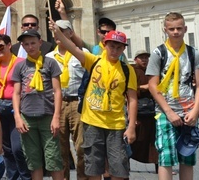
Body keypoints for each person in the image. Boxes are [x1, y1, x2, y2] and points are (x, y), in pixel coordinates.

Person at [52, 23, 137, 180]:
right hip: (92, 122)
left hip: (116, 124)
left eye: (119, 48)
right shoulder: (94, 61)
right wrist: (59, 34)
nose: (115, 50)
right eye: (112, 46)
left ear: (124, 49)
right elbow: (73, 48)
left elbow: (132, 99)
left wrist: (131, 126)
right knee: (93, 167)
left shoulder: (127, 69)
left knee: (119, 167)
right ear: (105, 45)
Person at [147, 12, 199, 180]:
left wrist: (195, 111)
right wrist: (169, 112)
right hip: (165, 111)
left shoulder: (194, 53)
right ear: (165, 30)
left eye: (179, 28)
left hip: (188, 110)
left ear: (185, 29)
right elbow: (152, 85)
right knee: (165, 157)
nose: (175, 32)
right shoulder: (159, 53)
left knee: (187, 157)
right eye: (171, 29)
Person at [11, 27, 64, 180]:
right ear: (22, 46)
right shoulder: (20, 66)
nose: (30, 47)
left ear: (40, 43)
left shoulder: (50, 63)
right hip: (27, 117)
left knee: (53, 159)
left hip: (47, 116)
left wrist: (56, 117)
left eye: (33, 43)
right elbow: (16, 93)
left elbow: (57, 91)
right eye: (26, 44)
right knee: (33, 161)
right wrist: (18, 117)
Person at [45, 20, 87, 180]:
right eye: (56, 31)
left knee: (82, 147)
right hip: (57, 105)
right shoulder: (48, 57)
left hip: (78, 102)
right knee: (59, 148)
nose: (58, 34)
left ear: (71, 33)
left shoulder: (81, 53)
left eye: (62, 31)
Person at [0, 32, 30, 180]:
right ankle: (12, 177)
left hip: (17, 109)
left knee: (18, 148)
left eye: (0, 46)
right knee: (7, 149)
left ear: (9, 45)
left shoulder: (22, 62)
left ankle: (25, 176)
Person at [131, 49, 158, 166]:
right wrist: (145, 87)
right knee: (134, 139)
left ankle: (159, 165)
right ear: (135, 59)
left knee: (155, 139)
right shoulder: (132, 70)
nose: (144, 60)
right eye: (141, 58)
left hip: (152, 111)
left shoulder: (152, 71)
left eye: (146, 58)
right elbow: (130, 89)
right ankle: (126, 163)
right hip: (138, 110)